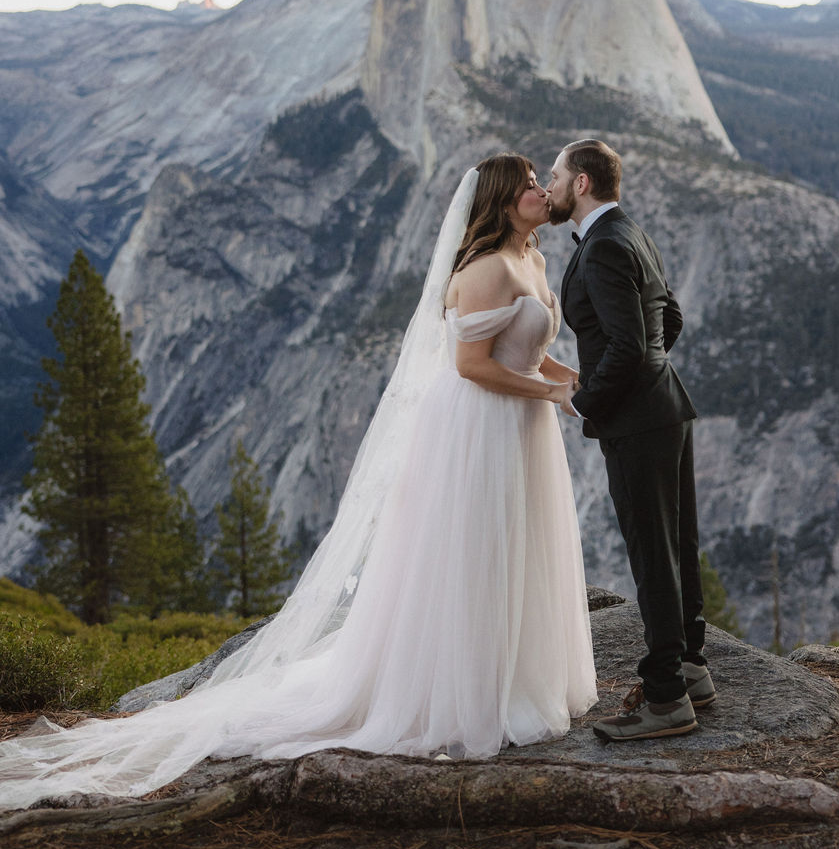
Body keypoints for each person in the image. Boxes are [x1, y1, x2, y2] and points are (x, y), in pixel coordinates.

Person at [0, 154, 597, 811]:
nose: (544, 189)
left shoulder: (534, 259)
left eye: (543, 180)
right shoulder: (484, 269)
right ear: (504, 200)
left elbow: (526, 346)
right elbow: (470, 365)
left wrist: (571, 380)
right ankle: (470, 688)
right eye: (531, 183)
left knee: (517, 545)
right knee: (476, 548)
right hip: (481, 426)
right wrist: (548, 391)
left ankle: (510, 674)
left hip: (521, 425)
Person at [545, 139, 714, 742]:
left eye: (557, 174)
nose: (550, 185)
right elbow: (669, 321)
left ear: (582, 183)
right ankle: (691, 667)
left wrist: (582, 398)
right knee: (676, 544)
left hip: (640, 424)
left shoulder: (604, 247)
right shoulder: (629, 233)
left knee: (652, 554)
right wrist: (651, 380)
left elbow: (630, 346)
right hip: (665, 411)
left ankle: (666, 696)